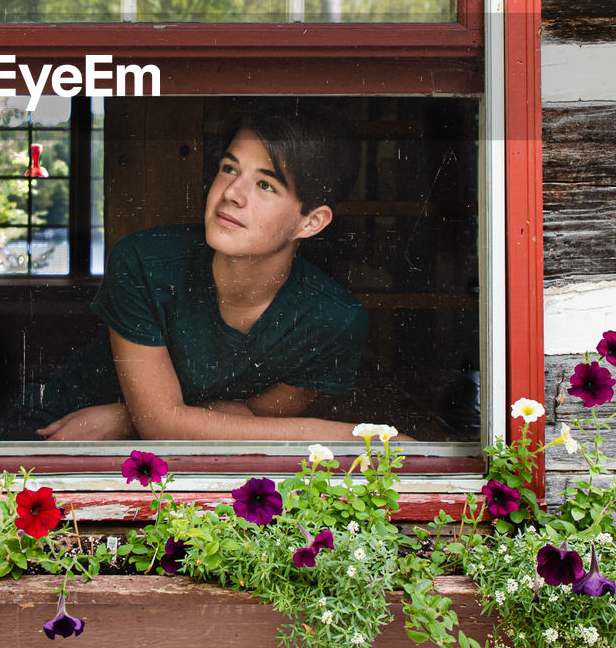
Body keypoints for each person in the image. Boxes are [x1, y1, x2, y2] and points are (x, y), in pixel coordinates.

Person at [20, 107, 369, 441]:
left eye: (266, 185)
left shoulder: (333, 319)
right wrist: (341, 436)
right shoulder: (144, 260)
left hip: (195, 456)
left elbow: (248, 418)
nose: (231, 193)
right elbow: (166, 425)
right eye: (229, 169)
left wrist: (129, 418)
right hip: (61, 434)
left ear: (311, 221)